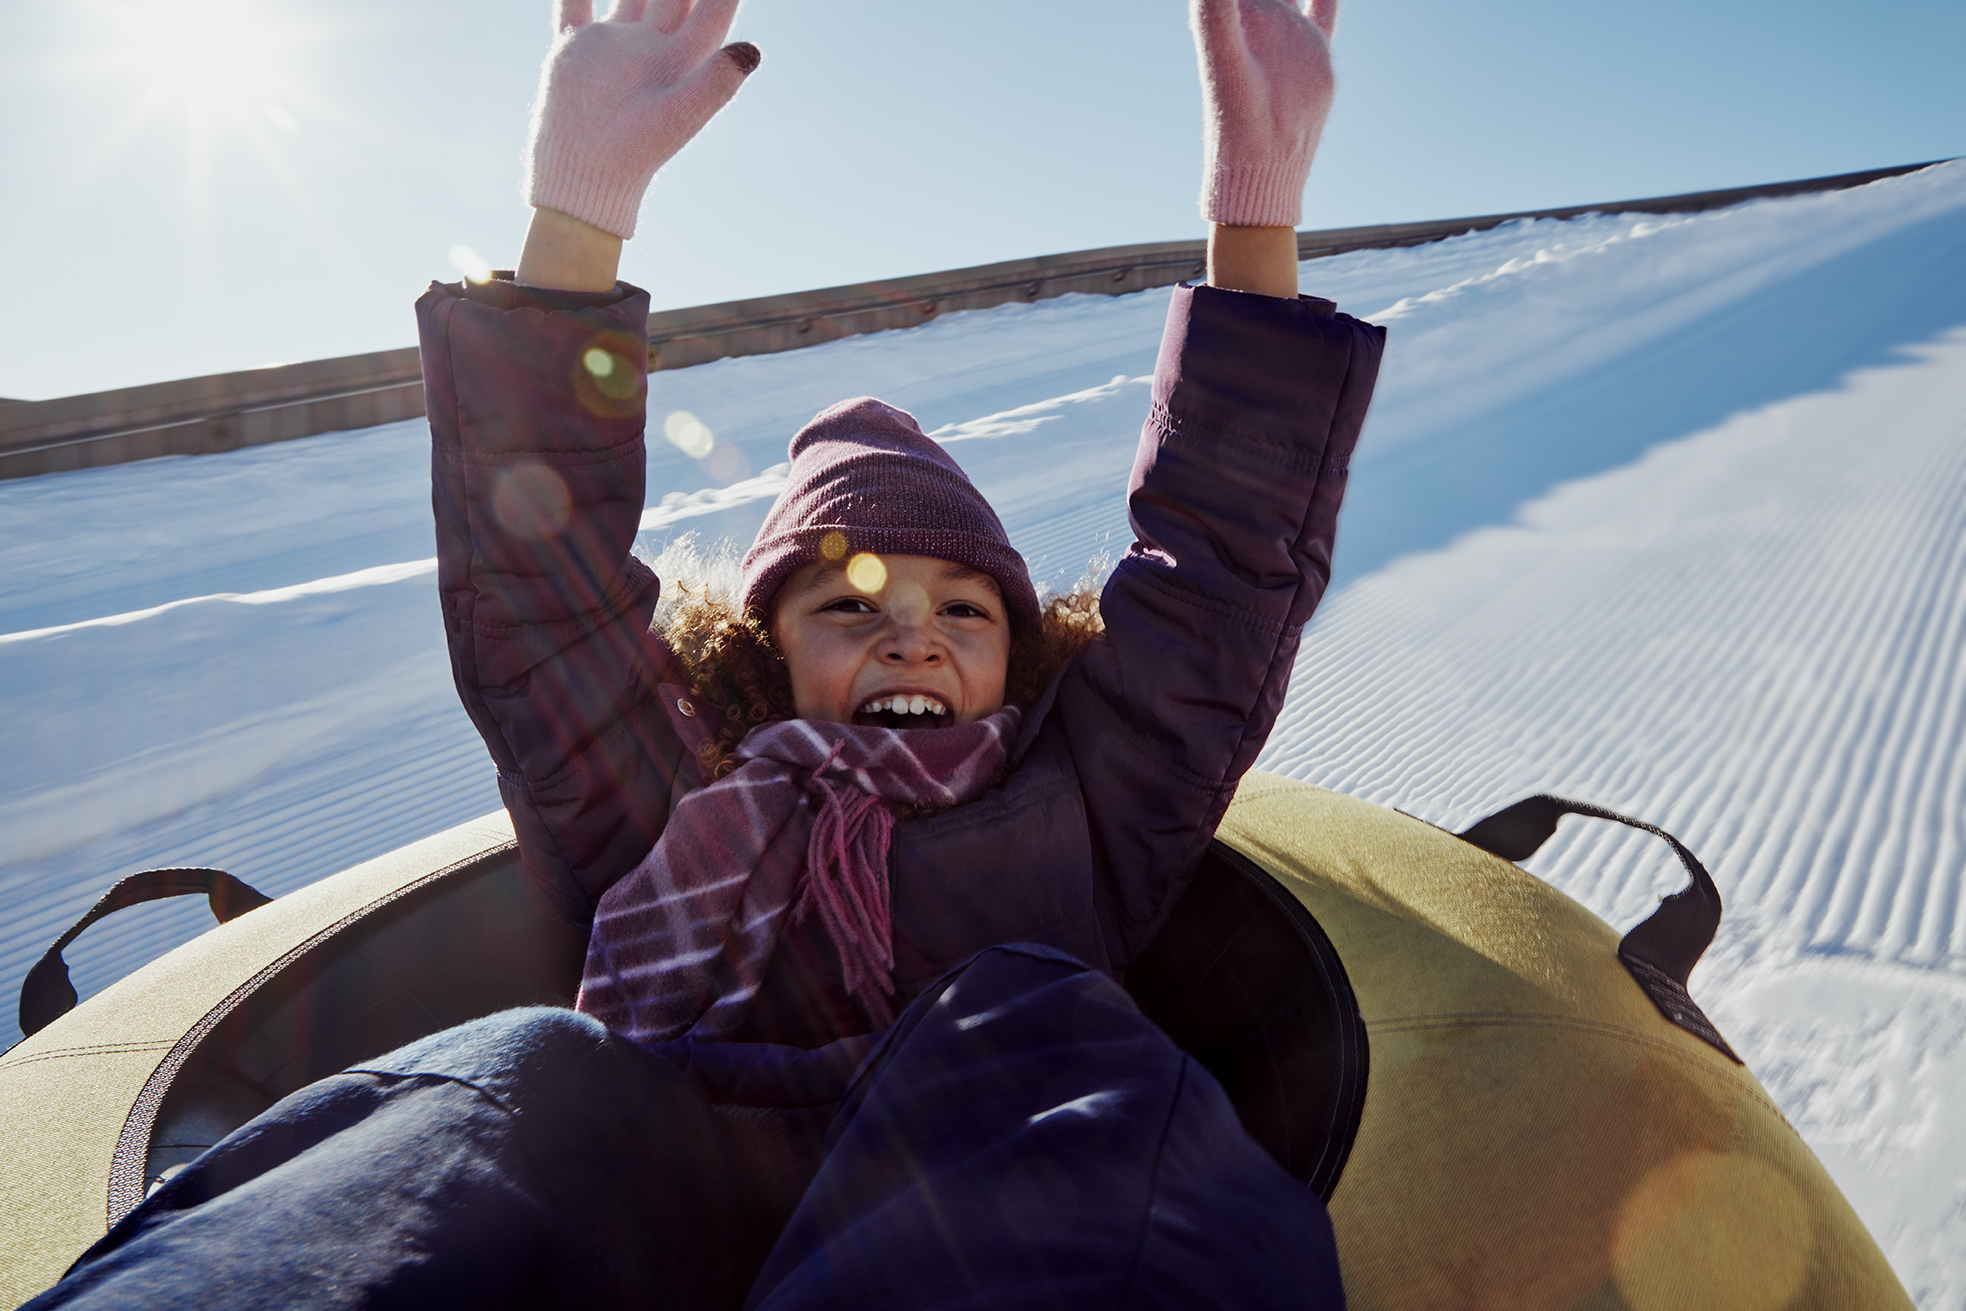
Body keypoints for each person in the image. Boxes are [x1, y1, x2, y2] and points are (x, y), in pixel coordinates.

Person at [28, 1, 1382, 1307]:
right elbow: (536, 595)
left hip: (976, 1201)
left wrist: (1252, 217)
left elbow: (1217, 579)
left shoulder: (1085, 797)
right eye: (849, 608)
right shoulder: (666, 797)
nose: (913, 628)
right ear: (763, 655)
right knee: (516, 1075)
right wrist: (574, 219)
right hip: (637, 1199)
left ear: (1017, 658)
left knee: (1040, 1021)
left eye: (964, 610)